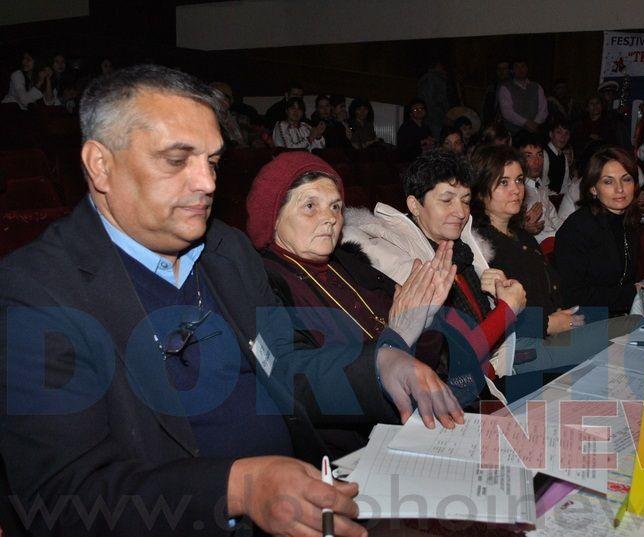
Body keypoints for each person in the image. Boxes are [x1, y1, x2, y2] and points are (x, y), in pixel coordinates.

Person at [0, 64, 463, 536]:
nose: (206, 182)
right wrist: (238, 488)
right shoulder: (37, 291)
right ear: (101, 165)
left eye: (213, 162)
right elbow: (67, 497)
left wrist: (381, 365)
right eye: (177, 160)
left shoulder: (226, 250)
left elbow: (286, 366)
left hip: (303, 497)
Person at [245, 151, 460, 455]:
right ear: (274, 217)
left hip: (414, 426)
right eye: (310, 206)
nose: (330, 217)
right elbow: (299, 384)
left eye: (336, 206)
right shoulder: (263, 284)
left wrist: (424, 321)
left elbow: (420, 356)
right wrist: (397, 337)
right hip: (348, 452)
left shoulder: (352, 265)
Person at [343, 150, 527, 401]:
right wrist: (506, 309)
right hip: (455, 398)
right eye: (447, 200)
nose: (460, 212)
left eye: (465, 200)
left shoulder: (464, 251)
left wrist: (496, 296)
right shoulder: (405, 267)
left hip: (489, 382)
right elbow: (455, 361)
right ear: (414, 205)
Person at [469, 144, 582, 339]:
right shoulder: (479, 246)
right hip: (526, 347)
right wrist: (548, 325)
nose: (516, 190)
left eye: (519, 180)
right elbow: (488, 325)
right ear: (480, 191)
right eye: (504, 182)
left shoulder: (521, 235)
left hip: (557, 332)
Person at [555, 146, 644, 318]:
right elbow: (573, 297)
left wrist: (643, 287)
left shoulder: (629, 220)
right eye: (608, 182)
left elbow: (622, 279)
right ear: (593, 188)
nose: (620, 189)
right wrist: (634, 291)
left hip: (620, 315)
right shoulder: (578, 228)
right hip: (585, 321)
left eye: (626, 180)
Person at [515, 133, 563, 247]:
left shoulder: (540, 186)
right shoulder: (516, 190)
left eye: (540, 155)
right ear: (519, 159)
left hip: (555, 240)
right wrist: (523, 226)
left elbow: (554, 218)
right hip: (538, 246)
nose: (536, 161)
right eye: (529, 156)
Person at [497, 58, 548, 135]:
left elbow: (543, 109)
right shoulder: (505, 88)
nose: (520, 70)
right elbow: (507, 112)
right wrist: (525, 122)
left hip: (536, 131)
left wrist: (536, 122)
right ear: (512, 70)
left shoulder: (537, 87)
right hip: (514, 132)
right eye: (517, 67)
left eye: (523, 66)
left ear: (527, 69)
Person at [417, 59, 450, 139]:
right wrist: (441, 115)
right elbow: (429, 101)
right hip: (434, 118)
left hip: (436, 117)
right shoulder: (432, 79)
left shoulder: (438, 79)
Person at [397, 98, 435, 162]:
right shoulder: (406, 127)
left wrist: (431, 141)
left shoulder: (425, 126)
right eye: (415, 110)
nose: (419, 111)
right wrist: (422, 142)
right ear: (411, 114)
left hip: (424, 158)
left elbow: (429, 139)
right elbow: (403, 148)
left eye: (421, 109)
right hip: (410, 160)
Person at [542, 120, 572, 195]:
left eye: (566, 133)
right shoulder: (544, 154)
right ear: (551, 134)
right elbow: (542, 185)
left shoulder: (563, 157)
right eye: (559, 132)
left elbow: (565, 185)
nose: (563, 137)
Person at [481, 60, 510, 124]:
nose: (501, 71)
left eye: (504, 69)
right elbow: (484, 107)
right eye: (499, 69)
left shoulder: (514, 88)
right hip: (493, 122)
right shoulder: (492, 88)